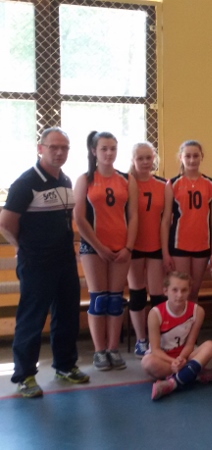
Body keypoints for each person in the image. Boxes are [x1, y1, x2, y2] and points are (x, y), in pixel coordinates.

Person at [0, 128, 90, 397]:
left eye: (64, 148)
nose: (59, 152)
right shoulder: (26, 182)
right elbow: (5, 223)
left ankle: (65, 366)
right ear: (40, 149)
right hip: (36, 263)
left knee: (67, 314)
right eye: (54, 147)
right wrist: (22, 248)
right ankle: (25, 375)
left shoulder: (65, 180)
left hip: (64, 260)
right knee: (32, 317)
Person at [73, 131, 138, 371]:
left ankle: (113, 348)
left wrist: (128, 247)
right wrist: (99, 248)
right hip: (94, 248)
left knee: (115, 299)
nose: (109, 153)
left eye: (113, 148)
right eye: (104, 149)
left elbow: (134, 216)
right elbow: (79, 218)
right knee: (99, 299)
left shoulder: (126, 180)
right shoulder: (85, 179)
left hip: (121, 247)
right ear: (94, 151)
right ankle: (99, 350)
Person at [142, 272, 212, 400]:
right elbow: (155, 349)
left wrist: (181, 359)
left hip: (185, 356)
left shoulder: (197, 311)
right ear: (165, 291)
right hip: (164, 359)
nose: (179, 295)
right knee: (147, 362)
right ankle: (194, 374)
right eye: (175, 290)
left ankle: (173, 382)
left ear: (189, 290)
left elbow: (190, 344)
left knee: (211, 346)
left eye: (184, 290)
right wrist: (173, 362)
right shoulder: (155, 313)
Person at [162, 140, 212, 303]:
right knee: (180, 291)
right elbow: (165, 220)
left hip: (202, 245)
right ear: (181, 157)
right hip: (179, 245)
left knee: (193, 291)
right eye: (188, 156)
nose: (192, 160)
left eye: (196, 156)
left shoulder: (211, 184)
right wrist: (165, 253)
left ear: (201, 157)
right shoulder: (172, 184)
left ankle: (191, 320)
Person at [128, 142, 167, 358]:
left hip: (155, 245)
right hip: (133, 245)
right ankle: (141, 339)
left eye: (148, 158)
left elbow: (166, 220)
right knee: (137, 294)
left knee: (158, 294)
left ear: (154, 159)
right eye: (140, 158)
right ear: (133, 160)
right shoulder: (126, 182)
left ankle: (157, 339)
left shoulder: (162, 184)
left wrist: (165, 250)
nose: (145, 162)